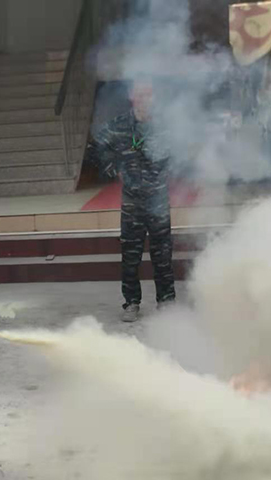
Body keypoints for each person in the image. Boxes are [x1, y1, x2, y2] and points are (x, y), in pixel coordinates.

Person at [93, 81, 176, 322]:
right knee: (130, 256)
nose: (144, 99)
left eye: (148, 94)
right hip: (132, 204)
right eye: (139, 94)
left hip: (158, 200)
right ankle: (131, 303)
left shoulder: (165, 125)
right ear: (131, 96)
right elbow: (97, 148)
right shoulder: (119, 125)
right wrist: (113, 170)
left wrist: (169, 172)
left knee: (163, 254)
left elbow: (179, 152)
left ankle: (166, 300)